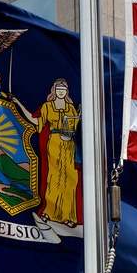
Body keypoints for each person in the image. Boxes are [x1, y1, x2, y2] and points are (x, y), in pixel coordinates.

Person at [34, 78, 80, 226]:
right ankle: (49, 212)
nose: (61, 92)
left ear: (67, 92)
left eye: (64, 90)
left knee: (70, 180)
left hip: (69, 144)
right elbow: (38, 122)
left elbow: (78, 125)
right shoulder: (48, 106)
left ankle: (69, 216)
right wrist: (18, 105)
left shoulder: (71, 108)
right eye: (59, 89)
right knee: (53, 178)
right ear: (54, 90)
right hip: (54, 141)